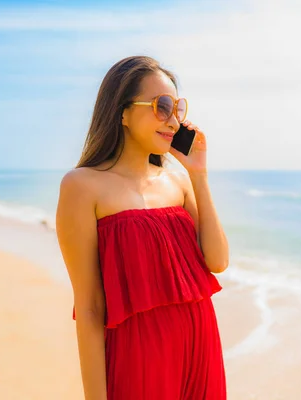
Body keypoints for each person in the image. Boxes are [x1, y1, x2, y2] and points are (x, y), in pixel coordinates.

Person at [55, 55, 230, 400]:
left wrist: (198, 174)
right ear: (122, 112)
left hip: (201, 347)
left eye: (177, 109)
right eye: (161, 106)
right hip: (138, 359)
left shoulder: (178, 182)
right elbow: (90, 306)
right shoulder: (82, 186)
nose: (173, 121)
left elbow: (218, 260)